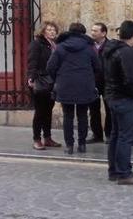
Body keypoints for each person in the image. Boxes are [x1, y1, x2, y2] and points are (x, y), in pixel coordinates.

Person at [47, 23, 101, 155]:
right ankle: (82, 144)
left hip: (65, 85)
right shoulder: (89, 47)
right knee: (83, 115)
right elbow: (98, 67)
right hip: (85, 85)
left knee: (68, 116)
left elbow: (50, 67)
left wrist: (58, 78)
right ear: (83, 33)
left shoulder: (60, 47)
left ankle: (69, 146)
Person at [103, 20, 133, 185]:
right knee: (125, 137)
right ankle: (124, 173)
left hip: (113, 97)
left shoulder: (111, 49)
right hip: (125, 99)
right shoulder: (127, 52)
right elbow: (130, 79)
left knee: (116, 135)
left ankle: (114, 171)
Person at [27, 21, 59, 150]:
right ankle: (37, 139)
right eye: (49, 29)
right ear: (43, 31)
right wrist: (31, 78)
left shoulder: (54, 45)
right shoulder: (37, 44)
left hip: (51, 81)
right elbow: (32, 62)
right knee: (40, 112)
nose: (52, 32)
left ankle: (47, 137)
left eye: (54, 30)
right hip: (40, 80)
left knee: (48, 111)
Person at [88, 22, 112, 144]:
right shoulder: (89, 46)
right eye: (92, 30)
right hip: (93, 82)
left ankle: (109, 133)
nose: (92, 33)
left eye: (95, 31)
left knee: (110, 109)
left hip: (108, 82)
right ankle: (96, 134)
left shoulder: (110, 46)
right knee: (93, 109)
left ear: (103, 33)